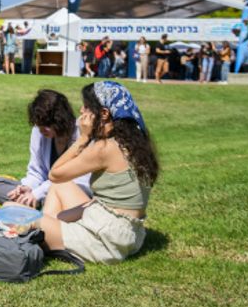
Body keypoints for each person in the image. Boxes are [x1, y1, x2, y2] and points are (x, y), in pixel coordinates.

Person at [36, 81, 158, 264]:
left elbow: (55, 174)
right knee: (60, 189)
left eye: (86, 106)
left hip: (106, 238)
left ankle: (47, 234)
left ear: (104, 113)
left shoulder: (104, 148)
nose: (81, 110)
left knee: (19, 216)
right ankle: (51, 230)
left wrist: (83, 138)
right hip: (128, 232)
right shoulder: (134, 141)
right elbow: (59, 183)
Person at [0, 89, 91, 208]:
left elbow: (78, 179)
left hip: (72, 190)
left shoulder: (83, 135)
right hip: (42, 191)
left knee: (55, 199)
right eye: (38, 124)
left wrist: (37, 193)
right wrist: (27, 188)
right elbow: (36, 171)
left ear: (61, 120)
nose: (41, 130)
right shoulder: (38, 132)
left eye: (46, 125)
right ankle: (29, 203)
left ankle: (31, 205)